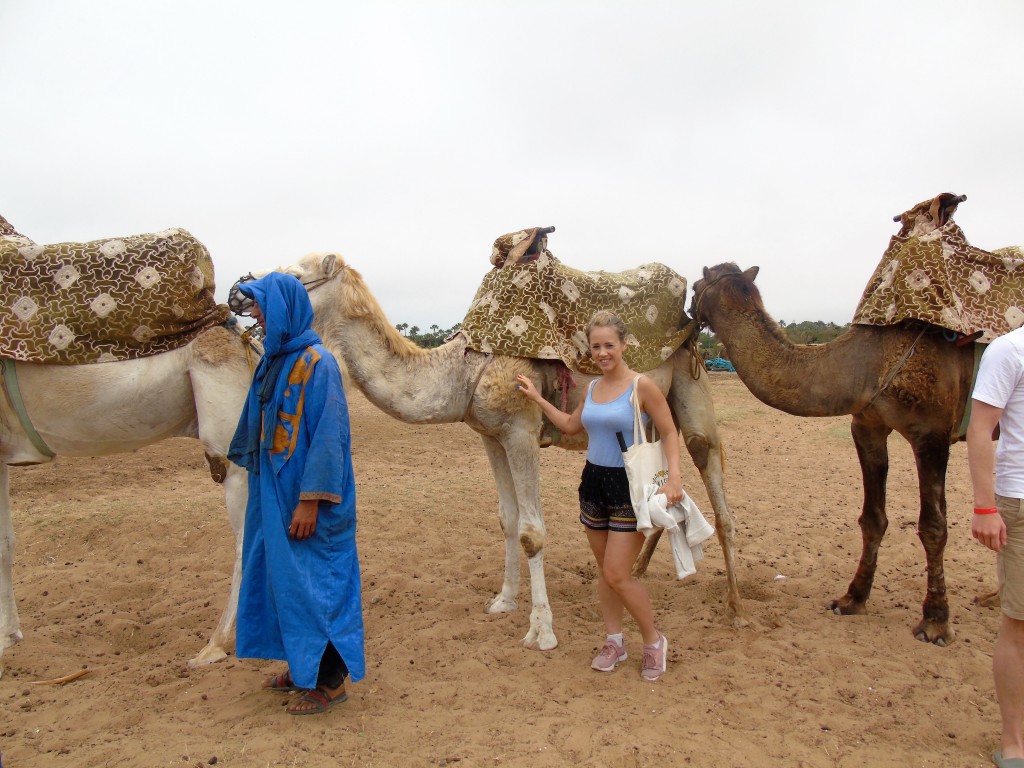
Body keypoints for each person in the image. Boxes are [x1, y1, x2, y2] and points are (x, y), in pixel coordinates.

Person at [515, 310, 681, 681]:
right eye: (596, 347)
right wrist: (538, 399)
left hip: (629, 487)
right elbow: (572, 426)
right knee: (605, 574)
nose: (603, 352)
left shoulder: (642, 386)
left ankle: (654, 642)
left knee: (618, 574)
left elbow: (670, 432)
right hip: (592, 484)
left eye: (609, 345)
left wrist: (674, 479)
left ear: (623, 345)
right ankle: (614, 641)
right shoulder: (591, 389)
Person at [227, 272, 365, 716]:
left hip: (309, 499)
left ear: (285, 307)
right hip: (274, 490)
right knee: (283, 578)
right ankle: (301, 666)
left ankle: (329, 681)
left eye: (262, 305)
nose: (257, 315)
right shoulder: (274, 360)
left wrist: (310, 500)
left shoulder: (317, 362)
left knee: (318, 581)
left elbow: (329, 437)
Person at [966, 325, 1024, 767]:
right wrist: (985, 506)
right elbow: (981, 428)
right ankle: (1015, 746)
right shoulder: (1008, 350)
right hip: (1020, 496)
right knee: (1019, 624)